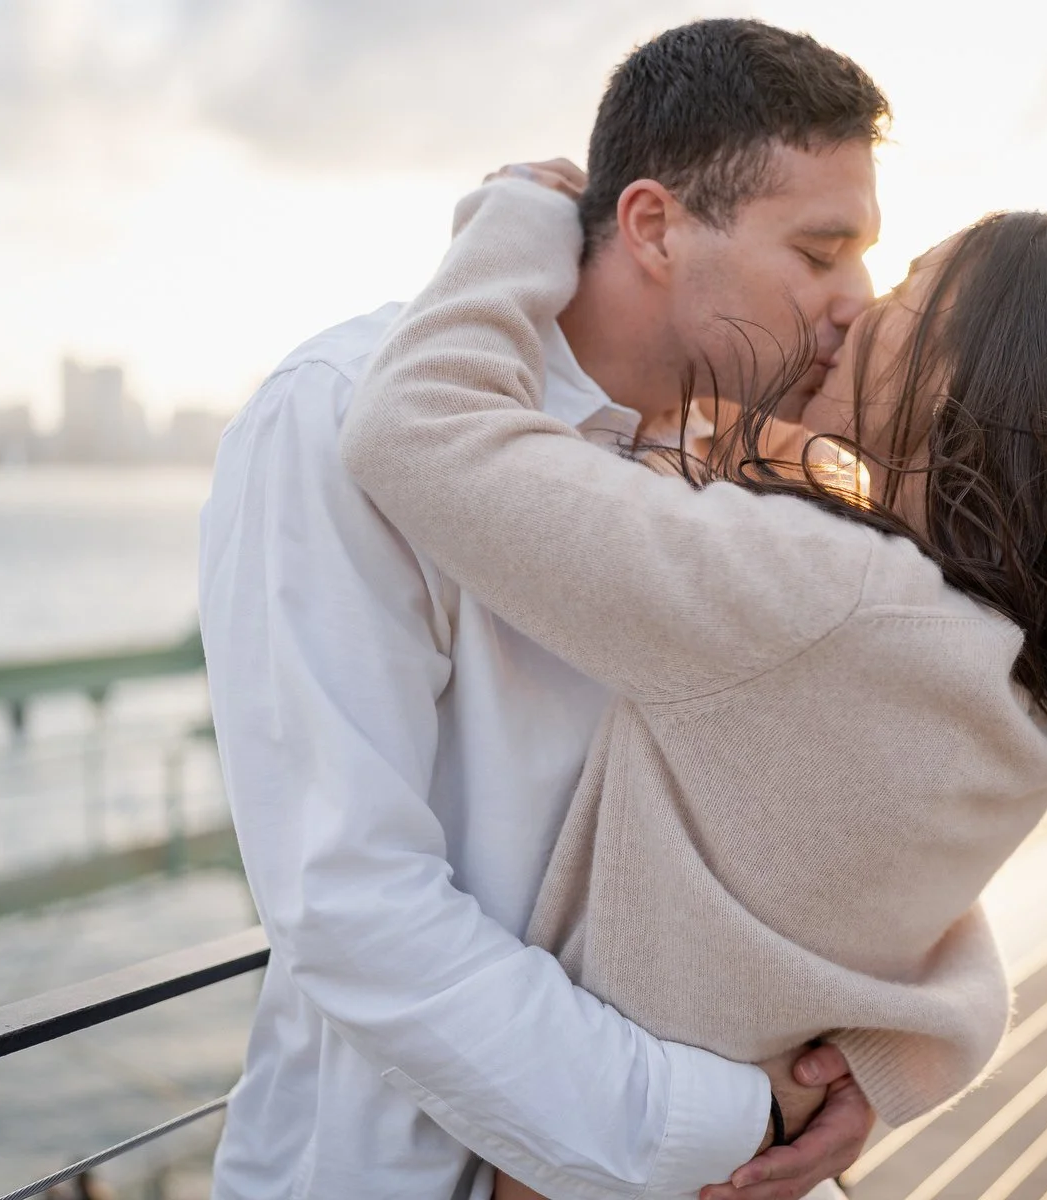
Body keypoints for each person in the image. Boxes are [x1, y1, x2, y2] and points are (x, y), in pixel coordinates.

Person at [339, 175, 1047, 1196]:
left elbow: (413, 428)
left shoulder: (825, 599)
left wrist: (522, 217)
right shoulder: (1032, 680)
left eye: (902, 295)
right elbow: (903, 914)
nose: (856, 306)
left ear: (968, 373)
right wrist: (903, 1058)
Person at [198, 20, 889, 1200]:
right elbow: (352, 900)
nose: (856, 300)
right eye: (821, 251)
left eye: (865, 253)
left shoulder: (746, 467)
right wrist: (721, 1116)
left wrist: (865, 1055)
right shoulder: (332, 417)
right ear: (655, 226)